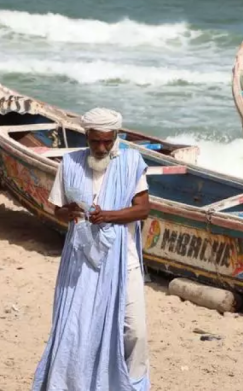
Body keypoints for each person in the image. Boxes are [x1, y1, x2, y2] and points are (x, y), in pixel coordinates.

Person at [32, 107, 151, 391]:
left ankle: (133, 385)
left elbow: (143, 209)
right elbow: (58, 210)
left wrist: (108, 216)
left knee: (135, 332)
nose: (100, 147)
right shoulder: (70, 163)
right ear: (86, 136)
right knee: (78, 330)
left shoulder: (132, 161)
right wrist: (68, 212)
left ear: (116, 137)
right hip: (81, 261)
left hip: (125, 261)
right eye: (95, 141)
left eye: (107, 141)